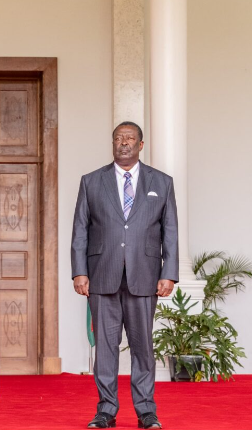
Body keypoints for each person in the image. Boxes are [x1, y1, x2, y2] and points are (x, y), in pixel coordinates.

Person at [71, 121, 178, 429]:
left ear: (140, 145)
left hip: (144, 277)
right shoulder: (92, 181)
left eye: (130, 139)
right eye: (118, 138)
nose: (124, 143)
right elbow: (80, 230)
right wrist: (80, 271)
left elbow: (169, 231)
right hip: (101, 276)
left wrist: (168, 272)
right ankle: (105, 410)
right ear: (113, 143)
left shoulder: (162, 182)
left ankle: (146, 411)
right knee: (105, 348)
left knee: (143, 347)